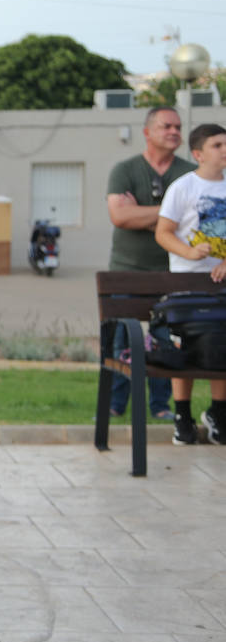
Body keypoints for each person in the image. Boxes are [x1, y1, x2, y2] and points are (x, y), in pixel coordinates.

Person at [106, 106, 193, 418]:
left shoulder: (188, 174)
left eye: (178, 127)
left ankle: (160, 407)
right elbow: (119, 216)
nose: (174, 132)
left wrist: (141, 213)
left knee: (165, 342)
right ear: (147, 132)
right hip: (126, 272)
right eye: (166, 126)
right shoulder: (124, 170)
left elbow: (191, 223)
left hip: (171, 273)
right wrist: (169, 216)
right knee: (120, 341)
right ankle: (115, 405)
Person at [155, 122, 226, 446]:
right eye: (217, 145)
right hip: (187, 283)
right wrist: (189, 252)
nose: (224, 150)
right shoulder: (183, 187)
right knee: (186, 347)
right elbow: (164, 232)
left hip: (221, 286)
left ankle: (218, 413)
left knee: (221, 345)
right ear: (198, 154)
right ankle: (182, 415)